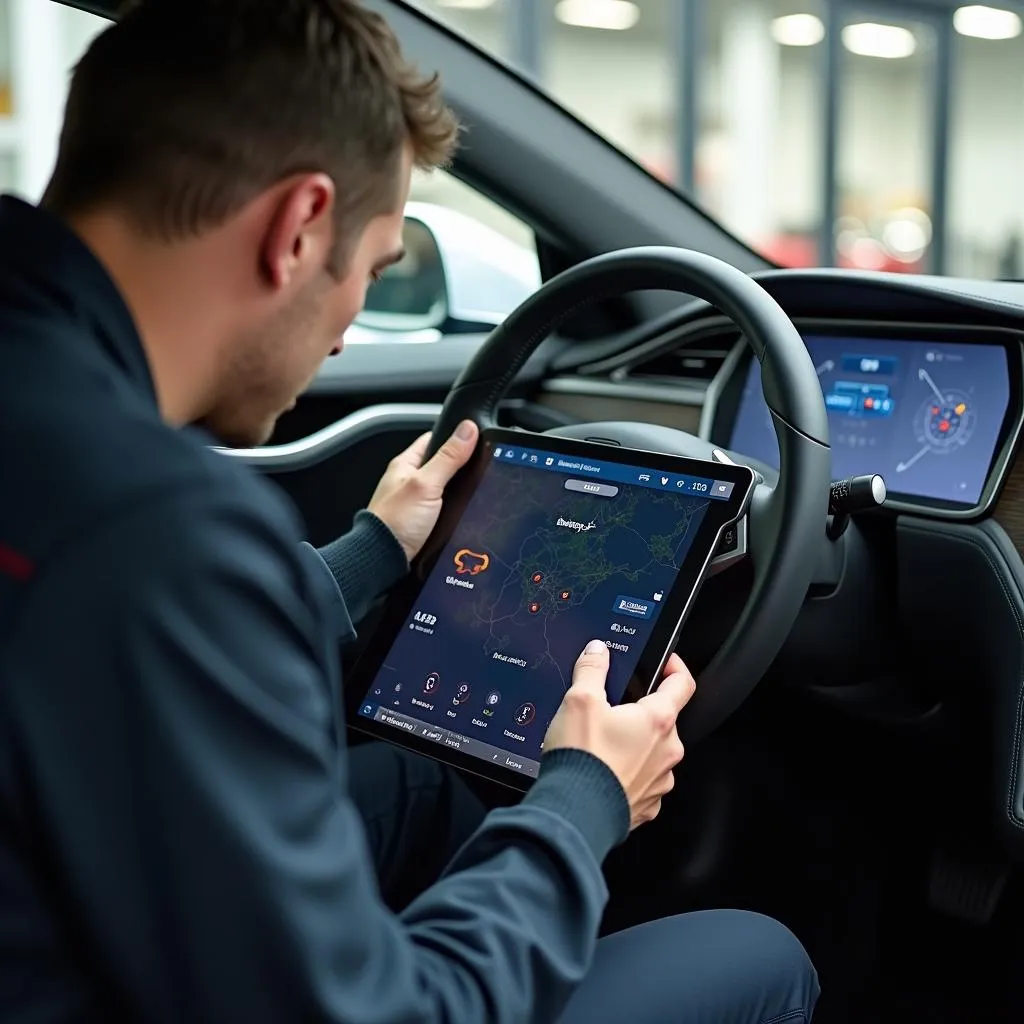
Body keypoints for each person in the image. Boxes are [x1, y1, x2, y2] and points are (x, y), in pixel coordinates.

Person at [0, 1, 820, 1021]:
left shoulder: (61, 443)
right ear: (300, 227)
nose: (349, 327)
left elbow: (126, 623)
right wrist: (582, 799)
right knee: (762, 953)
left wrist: (374, 551)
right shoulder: (157, 524)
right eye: (377, 267)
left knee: (426, 788)